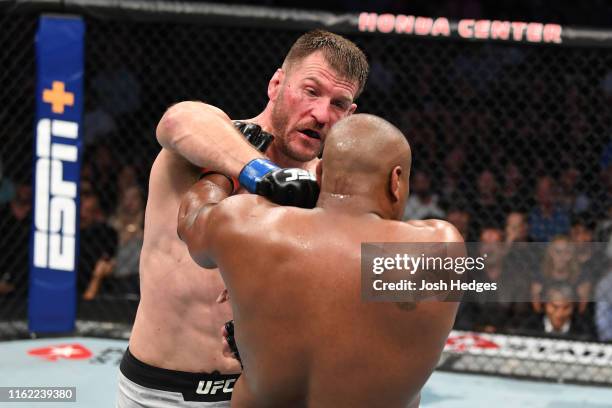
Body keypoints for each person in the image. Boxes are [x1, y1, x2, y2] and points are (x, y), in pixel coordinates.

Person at [117, 30, 369, 407]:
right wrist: (261, 174)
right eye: (311, 91)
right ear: (276, 84)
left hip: (261, 394)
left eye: (338, 103)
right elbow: (178, 119)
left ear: (350, 115)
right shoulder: (206, 146)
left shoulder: (331, 192)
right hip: (160, 392)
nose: (320, 114)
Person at [179, 114, 461, 408]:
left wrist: (228, 169)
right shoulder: (439, 248)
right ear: (396, 181)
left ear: (321, 172)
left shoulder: (247, 224)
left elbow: (190, 219)